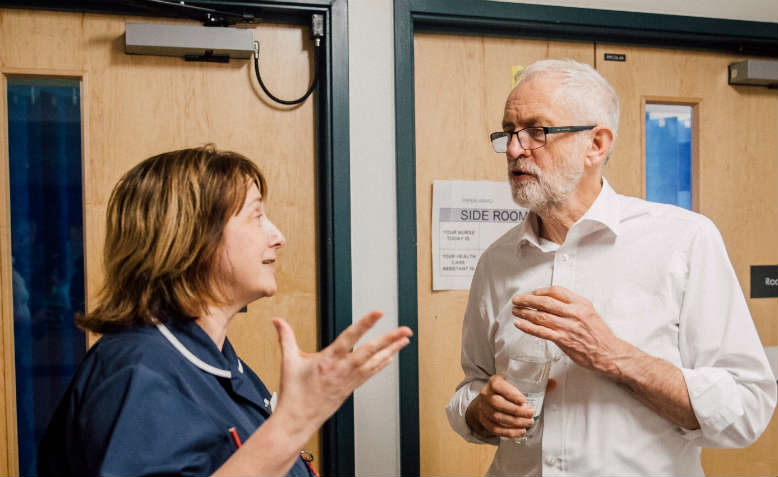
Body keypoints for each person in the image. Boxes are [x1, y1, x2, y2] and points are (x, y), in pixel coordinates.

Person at [445, 59, 776, 476]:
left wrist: (614, 356)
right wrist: (480, 412)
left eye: (536, 131)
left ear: (596, 145)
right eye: (509, 133)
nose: (514, 149)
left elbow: (747, 410)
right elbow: (472, 388)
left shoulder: (685, 241)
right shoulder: (497, 261)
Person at [37, 145, 413, 476]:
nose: (277, 236)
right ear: (195, 238)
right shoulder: (138, 373)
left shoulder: (218, 362)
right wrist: (298, 420)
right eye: (256, 216)